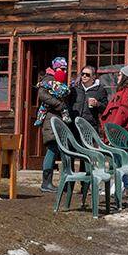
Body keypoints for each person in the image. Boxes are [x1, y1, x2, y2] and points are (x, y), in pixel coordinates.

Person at [36, 57, 71, 194]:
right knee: (52, 148)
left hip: (59, 119)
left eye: (65, 69)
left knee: (59, 149)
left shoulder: (59, 81)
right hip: (50, 118)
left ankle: (63, 181)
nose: (64, 71)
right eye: (61, 68)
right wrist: (59, 105)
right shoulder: (47, 80)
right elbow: (43, 96)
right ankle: (46, 182)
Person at [102, 61, 128, 142]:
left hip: (123, 135)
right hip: (118, 133)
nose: (117, 77)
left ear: (125, 77)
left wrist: (113, 131)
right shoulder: (122, 91)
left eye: (119, 75)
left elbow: (123, 112)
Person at [69, 65, 109, 132]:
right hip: (74, 126)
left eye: (87, 74)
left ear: (93, 77)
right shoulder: (75, 89)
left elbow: (105, 108)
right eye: (82, 74)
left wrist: (97, 104)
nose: (84, 76)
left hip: (90, 126)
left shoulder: (100, 90)